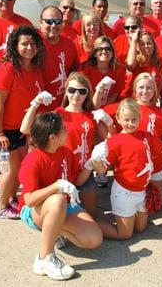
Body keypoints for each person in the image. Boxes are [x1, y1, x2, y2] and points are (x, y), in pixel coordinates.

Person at [18, 112, 102, 281]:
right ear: (52, 138)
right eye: (63, 129)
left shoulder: (66, 152)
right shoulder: (33, 159)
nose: (67, 131)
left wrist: (90, 164)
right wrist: (56, 186)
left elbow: (77, 180)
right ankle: (44, 258)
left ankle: (53, 231)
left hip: (64, 206)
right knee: (57, 200)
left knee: (94, 239)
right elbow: (29, 200)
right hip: (35, 210)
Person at [20, 72, 113, 218]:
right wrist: (35, 103)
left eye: (82, 91)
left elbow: (112, 139)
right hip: (61, 172)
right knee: (60, 213)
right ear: (66, 91)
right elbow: (25, 129)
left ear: (87, 94)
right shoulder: (57, 114)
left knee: (90, 218)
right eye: (72, 90)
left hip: (84, 172)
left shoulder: (91, 116)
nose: (76, 95)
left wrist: (109, 122)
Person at [91, 98, 162, 240]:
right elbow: (102, 170)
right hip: (124, 192)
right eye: (126, 120)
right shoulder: (115, 141)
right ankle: (89, 226)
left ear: (140, 118)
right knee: (124, 234)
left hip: (142, 191)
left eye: (134, 120)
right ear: (118, 118)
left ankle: (128, 218)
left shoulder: (145, 136)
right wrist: (96, 160)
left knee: (141, 229)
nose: (130, 124)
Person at [0, 25, 46, 219]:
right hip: (0, 128)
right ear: (15, 46)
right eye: (25, 43)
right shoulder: (7, 70)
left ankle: (11, 200)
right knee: (12, 169)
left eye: (33, 43)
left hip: (20, 128)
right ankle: (2, 207)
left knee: (20, 168)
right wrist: (0, 133)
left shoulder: (34, 70)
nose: (30, 47)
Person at [39, 6, 78, 109]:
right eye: (49, 21)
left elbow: (73, 74)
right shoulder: (33, 44)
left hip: (61, 107)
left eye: (57, 21)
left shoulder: (70, 45)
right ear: (41, 23)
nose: (53, 25)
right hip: (37, 108)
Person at [79, 36, 127, 108]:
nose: (104, 51)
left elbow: (115, 95)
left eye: (108, 49)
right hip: (87, 106)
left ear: (112, 53)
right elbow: (83, 92)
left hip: (108, 107)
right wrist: (94, 107)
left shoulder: (119, 70)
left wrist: (103, 108)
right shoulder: (85, 68)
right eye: (100, 49)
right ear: (95, 53)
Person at [124, 30, 162, 97]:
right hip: (130, 100)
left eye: (149, 43)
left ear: (154, 45)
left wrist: (153, 100)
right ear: (137, 47)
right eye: (142, 44)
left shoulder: (161, 63)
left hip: (148, 102)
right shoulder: (135, 61)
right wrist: (133, 40)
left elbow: (159, 88)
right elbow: (130, 65)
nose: (146, 46)